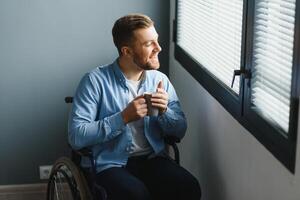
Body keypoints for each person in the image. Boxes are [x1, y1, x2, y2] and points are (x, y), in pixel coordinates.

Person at [68, 13, 201, 200]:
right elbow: (76, 137)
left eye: (157, 41)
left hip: (152, 159)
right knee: (135, 195)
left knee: (188, 186)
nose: (159, 48)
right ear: (127, 51)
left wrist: (165, 112)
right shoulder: (94, 82)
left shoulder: (160, 80)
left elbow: (179, 131)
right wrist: (122, 118)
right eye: (149, 44)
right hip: (110, 164)